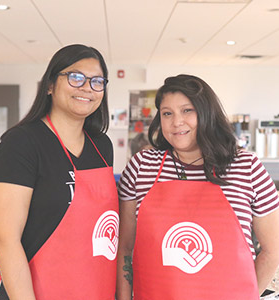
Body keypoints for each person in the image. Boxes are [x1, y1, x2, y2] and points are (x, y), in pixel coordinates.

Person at [116, 74, 279, 299]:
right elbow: (124, 247)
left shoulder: (246, 167)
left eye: (187, 110)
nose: (176, 122)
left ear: (206, 112)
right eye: (167, 114)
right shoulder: (141, 166)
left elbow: (272, 251)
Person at [0, 44, 119, 300]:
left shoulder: (101, 145)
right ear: (49, 85)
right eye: (75, 77)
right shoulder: (21, 143)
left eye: (97, 81)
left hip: (96, 289)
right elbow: (6, 240)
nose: (86, 88)